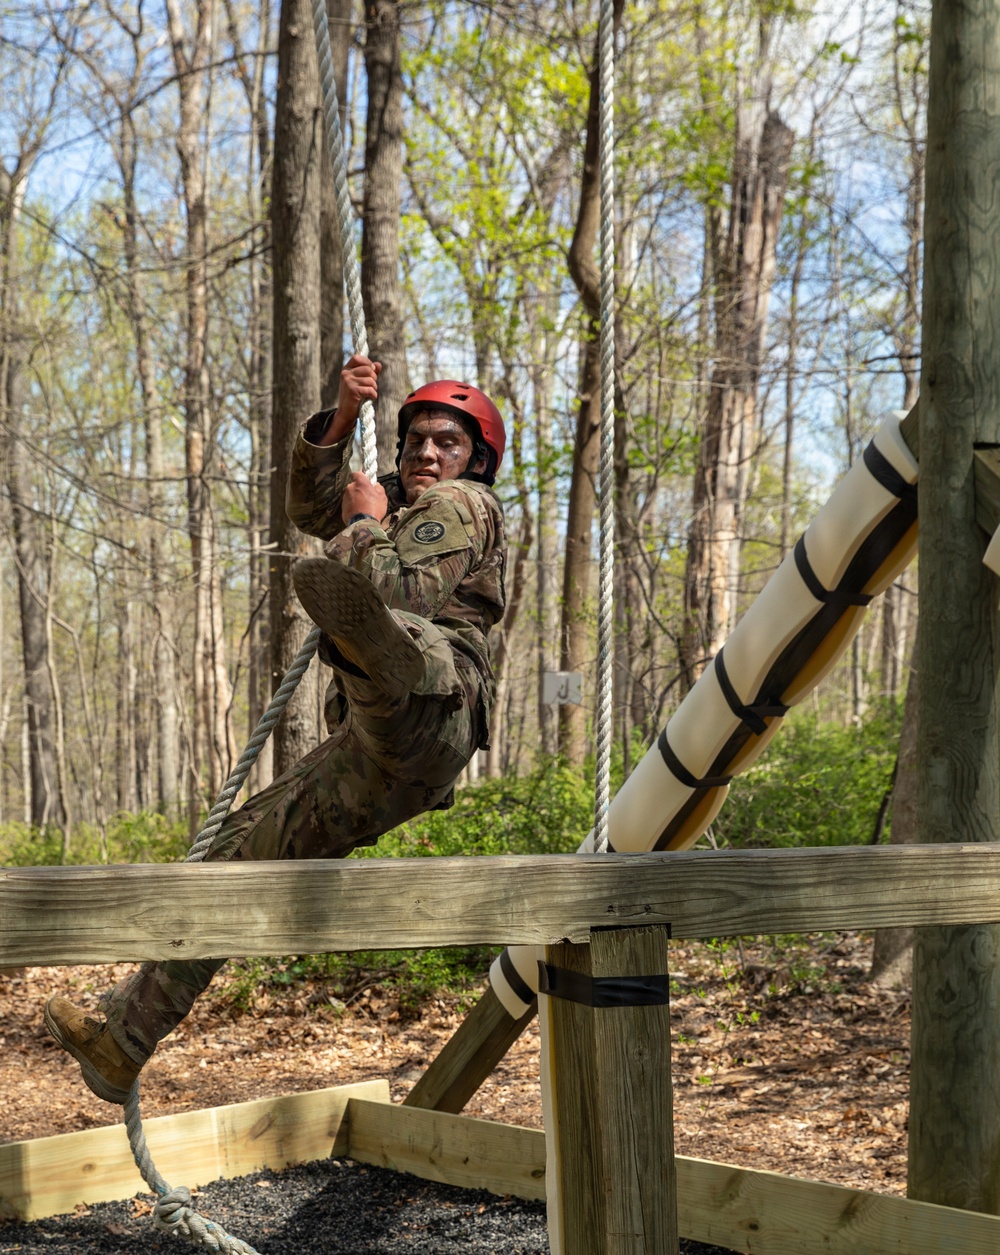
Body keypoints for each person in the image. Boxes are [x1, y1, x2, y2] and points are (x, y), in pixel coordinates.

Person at [44, 353, 507, 1103]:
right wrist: (343, 417)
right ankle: (123, 1039)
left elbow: (403, 590)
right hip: (375, 755)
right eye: (416, 440)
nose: (427, 452)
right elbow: (311, 508)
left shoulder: (464, 504)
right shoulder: (394, 504)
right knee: (237, 856)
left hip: (437, 712)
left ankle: (382, 657)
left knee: (401, 624)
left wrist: (363, 526)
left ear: (476, 459)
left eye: (447, 442)